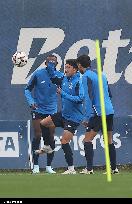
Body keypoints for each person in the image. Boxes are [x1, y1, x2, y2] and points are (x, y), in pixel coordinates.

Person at [38, 59, 84, 174]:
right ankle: (48, 146)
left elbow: (80, 99)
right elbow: (52, 76)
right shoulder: (63, 78)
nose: (66, 69)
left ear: (75, 69)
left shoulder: (79, 81)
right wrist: (51, 65)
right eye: (65, 67)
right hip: (63, 114)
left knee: (64, 141)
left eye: (68, 67)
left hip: (73, 117)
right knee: (43, 123)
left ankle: (71, 168)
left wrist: (63, 94)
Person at [76, 54, 119, 174]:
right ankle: (114, 168)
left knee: (87, 140)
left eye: (77, 65)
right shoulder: (102, 74)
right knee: (109, 140)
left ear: (79, 65)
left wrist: (86, 117)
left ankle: (89, 169)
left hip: (98, 112)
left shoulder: (85, 77)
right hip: (109, 110)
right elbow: (109, 94)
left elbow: (89, 97)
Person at [24, 54, 63, 174]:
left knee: (50, 137)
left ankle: (48, 166)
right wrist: (31, 101)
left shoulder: (60, 76)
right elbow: (27, 89)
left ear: (56, 64)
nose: (51, 65)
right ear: (45, 63)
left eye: (53, 63)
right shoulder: (38, 74)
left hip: (51, 111)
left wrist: (62, 92)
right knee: (37, 135)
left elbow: (65, 91)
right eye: (49, 63)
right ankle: (35, 166)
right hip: (38, 109)